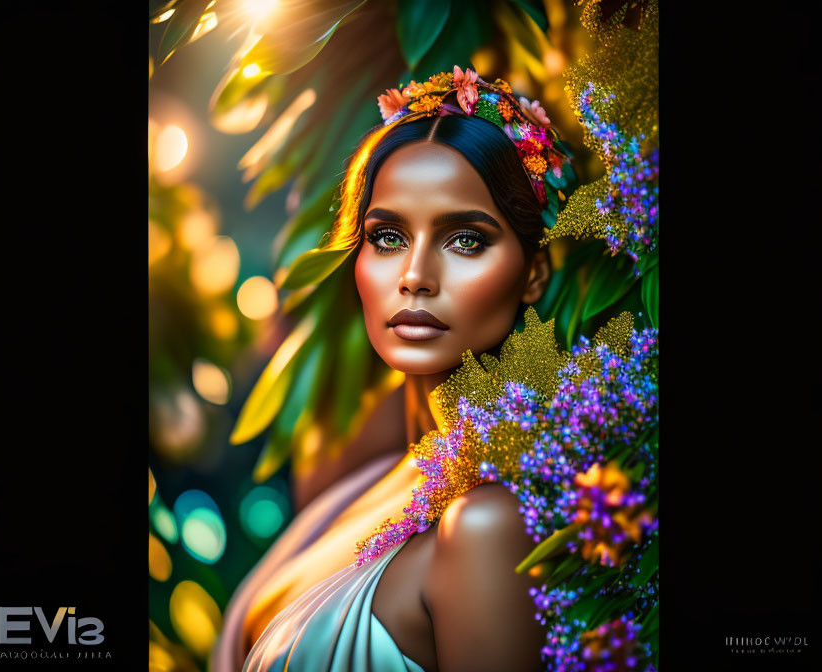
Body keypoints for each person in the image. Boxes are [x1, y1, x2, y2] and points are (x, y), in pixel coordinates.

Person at [215, 65, 658, 672]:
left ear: (533, 274)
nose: (416, 275)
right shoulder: (363, 473)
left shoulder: (487, 526)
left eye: (465, 240)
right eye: (388, 236)